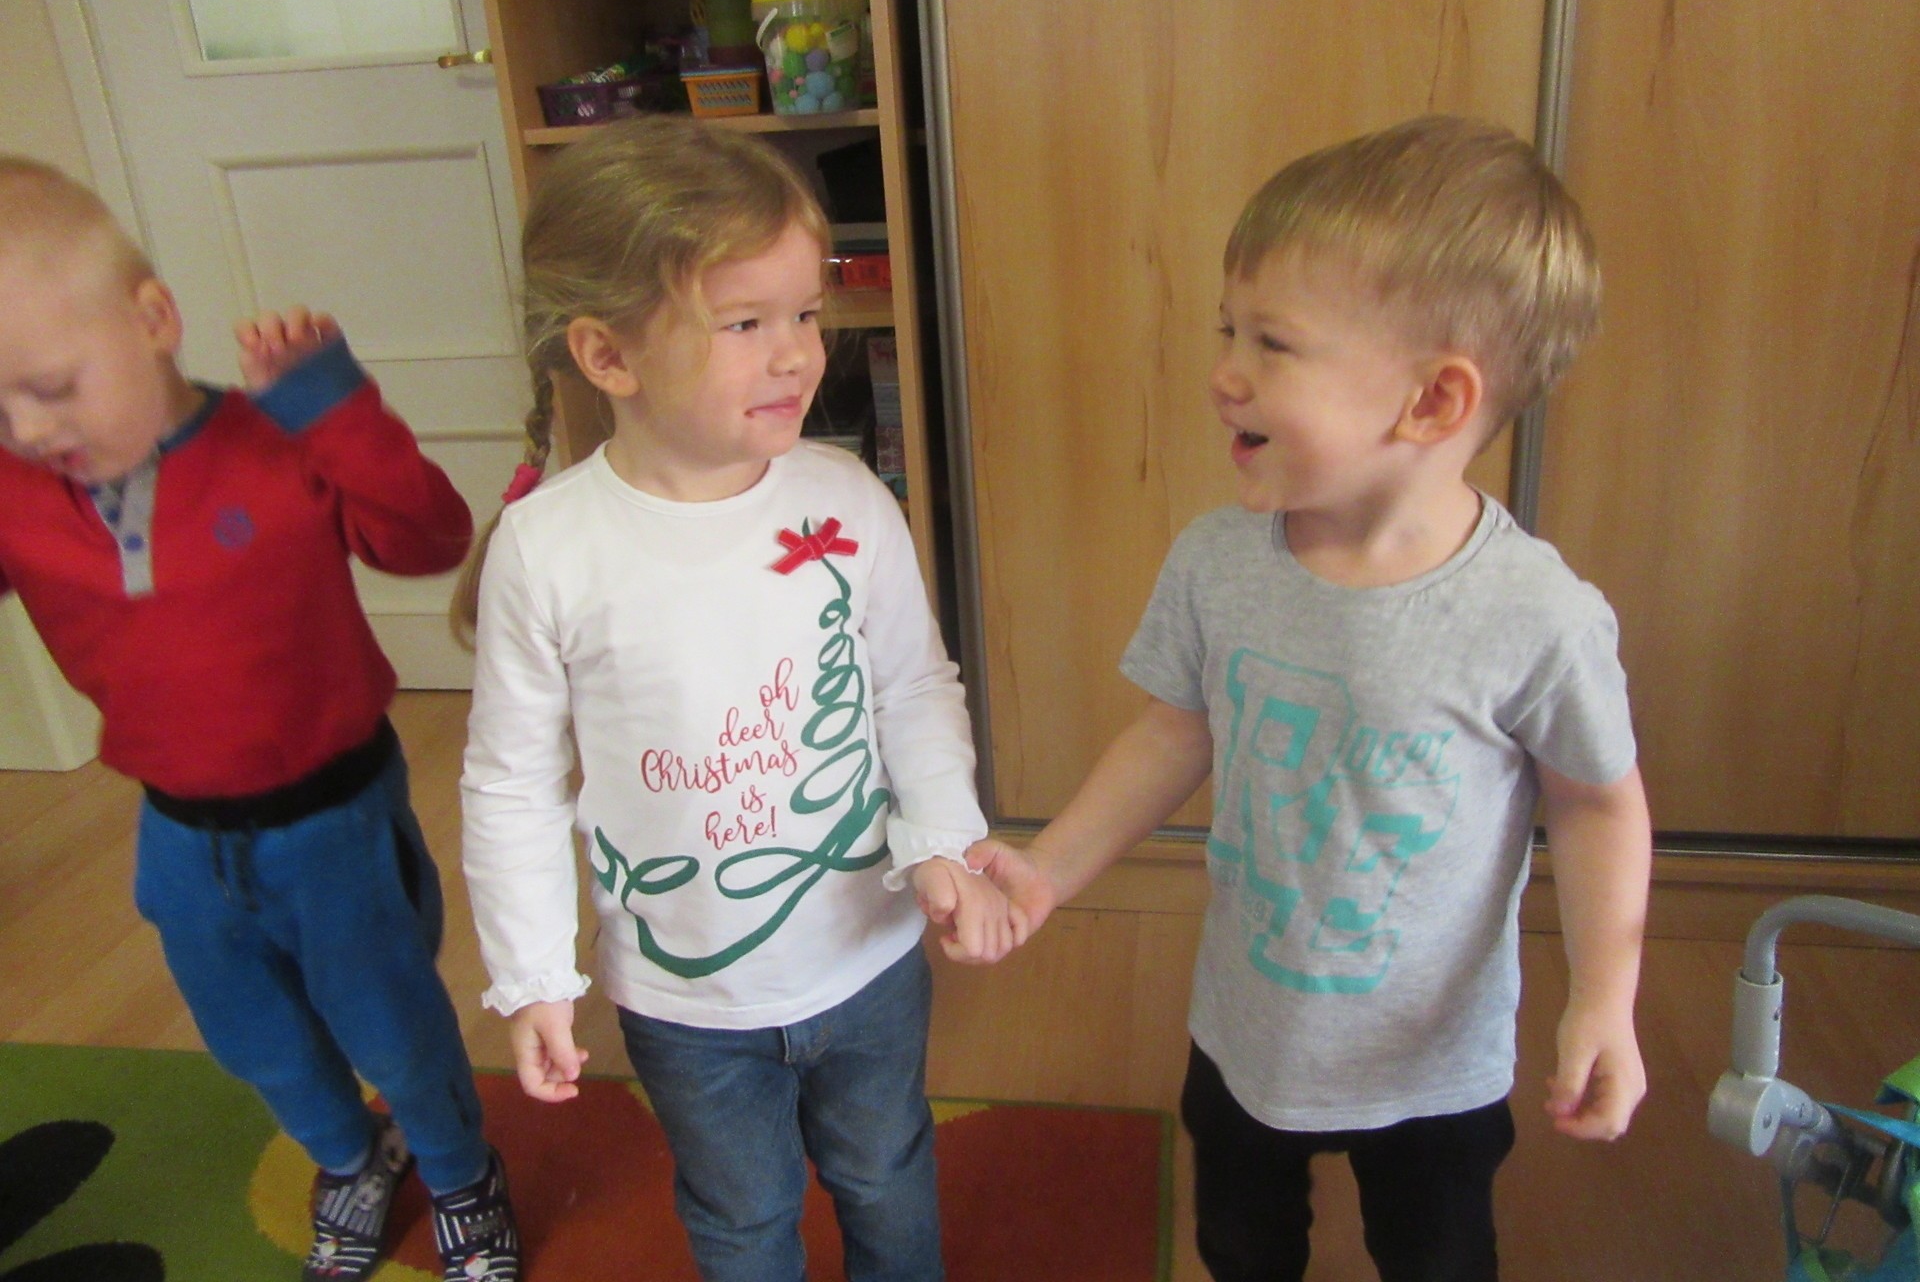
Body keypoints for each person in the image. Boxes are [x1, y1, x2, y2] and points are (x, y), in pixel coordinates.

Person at [969, 116, 1653, 1282]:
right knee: (1240, 1241)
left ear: (1432, 403)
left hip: (1430, 1060)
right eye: (1228, 329)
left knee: (1437, 1258)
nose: (1223, 373)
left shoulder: (1535, 615)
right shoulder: (1219, 561)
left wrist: (1605, 997)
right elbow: (1172, 731)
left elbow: (1597, 804)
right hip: (1249, 1024)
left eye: (1273, 344)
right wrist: (1048, 867)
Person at [455, 117, 1014, 1282]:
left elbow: (913, 684)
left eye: (806, 313)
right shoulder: (548, 549)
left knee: (885, 1170)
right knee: (743, 1214)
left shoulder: (846, 499)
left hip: (867, 959)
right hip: (686, 1000)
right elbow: (511, 784)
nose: (797, 354)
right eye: (745, 323)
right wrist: (533, 974)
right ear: (608, 356)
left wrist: (942, 837)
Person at [0, 159, 519, 1282]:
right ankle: (351, 1156)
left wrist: (334, 407)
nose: (27, 429)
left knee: (391, 1025)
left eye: (50, 387)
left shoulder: (282, 441)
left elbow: (429, 539)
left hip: (332, 816)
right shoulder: (17, 487)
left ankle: (458, 1169)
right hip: (178, 830)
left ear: (152, 320)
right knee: (251, 1035)